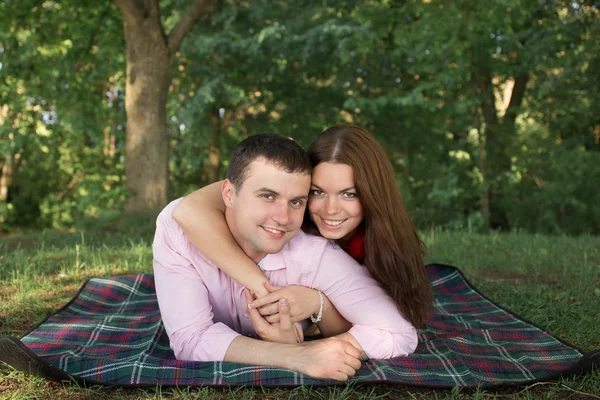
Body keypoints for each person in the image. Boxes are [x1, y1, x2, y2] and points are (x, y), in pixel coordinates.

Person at [153, 133, 418, 382]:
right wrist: (295, 355)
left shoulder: (316, 253)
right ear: (228, 194)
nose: (283, 218)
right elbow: (190, 340)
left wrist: (322, 328)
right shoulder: (179, 233)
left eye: (296, 202)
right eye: (267, 196)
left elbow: (399, 333)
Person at [173, 125, 433, 334]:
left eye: (349, 194)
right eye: (317, 192)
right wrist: (263, 287)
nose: (330, 210)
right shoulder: (288, 216)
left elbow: (387, 326)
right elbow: (187, 210)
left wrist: (316, 305)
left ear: (372, 194)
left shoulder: (385, 244)